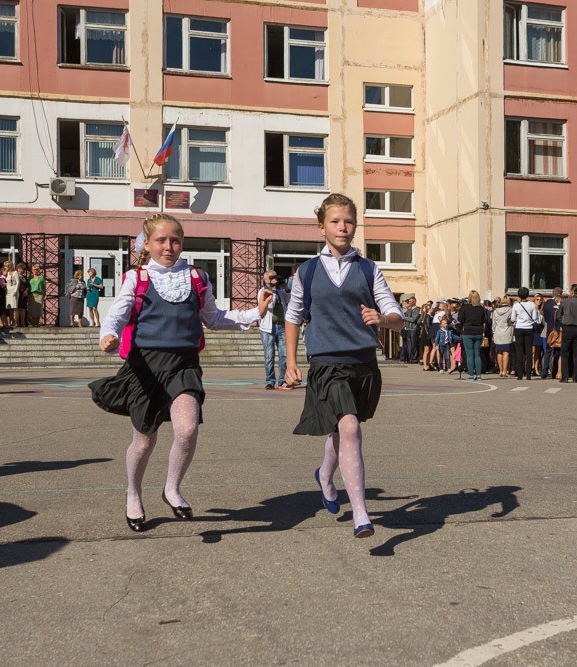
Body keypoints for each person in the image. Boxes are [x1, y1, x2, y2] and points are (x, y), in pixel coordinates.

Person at [91, 213, 271, 533]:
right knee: (144, 441)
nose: (169, 246)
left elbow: (214, 318)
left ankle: (172, 489)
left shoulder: (197, 277)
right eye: (161, 240)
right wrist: (108, 335)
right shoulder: (136, 278)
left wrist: (254, 313)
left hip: (184, 364)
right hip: (145, 367)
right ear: (147, 244)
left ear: (182, 243)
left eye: (175, 240)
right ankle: (133, 493)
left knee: (187, 430)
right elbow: (116, 315)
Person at [283, 193, 403, 539]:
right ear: (321, 227)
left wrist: (383, 319)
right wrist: (290, 362)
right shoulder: (307, 271)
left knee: (342, 430)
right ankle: (361, 513)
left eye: (349, 221)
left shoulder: (368, 269)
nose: (343, 227)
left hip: (363, 364)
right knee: (349, 428)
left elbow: (395, 315)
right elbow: (293, 316)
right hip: (326, 363)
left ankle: (325, 474)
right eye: (335, 221)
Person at [257, 270, 291, 390]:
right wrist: (273, 289)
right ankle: (270, 381)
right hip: (268, 327)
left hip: (281, 326)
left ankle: (282, 381)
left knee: (284, 355)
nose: (274, 279)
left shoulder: (280, 292)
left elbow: (289, 299)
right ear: (265, 279)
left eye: (275, 277)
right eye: (271, 277)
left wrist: (286, 288)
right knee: (269, 356)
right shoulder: (263, 292)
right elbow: (269, 305)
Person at [559, 284, 577, 383]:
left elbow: (559, 316)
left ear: (571, 291)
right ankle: (576, 377)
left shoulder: (564, 302)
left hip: (567, 328)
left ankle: (565, 377)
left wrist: (563, 323)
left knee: (565, 353)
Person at [510, 287, 541, 381]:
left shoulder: (516, 305)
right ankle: (528, 375)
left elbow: (512, 319)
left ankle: (520, 374)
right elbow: (534, 317)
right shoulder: (531, 304)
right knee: (529, 352)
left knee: (519, 352)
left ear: (519, 295)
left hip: (519, 328)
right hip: (529, 328)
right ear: (527, 295)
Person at [458, 290, 487, 381]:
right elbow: (484, 322)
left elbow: (460, 320)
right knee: (477, 354)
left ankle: (471, 374)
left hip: (467, 332)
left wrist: (460, 330)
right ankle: (478, 375)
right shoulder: (481, 308)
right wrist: (483, 332)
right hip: (478, 332)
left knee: (469, 354)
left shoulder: (465, 307)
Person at [492, 296, 514, 377]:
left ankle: (500, 371)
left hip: (498, 332)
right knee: (506, 352)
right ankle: (505, 371)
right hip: (507, 332)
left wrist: (494, 333)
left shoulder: (495, 311)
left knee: (499, 352)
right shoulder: (511, 310)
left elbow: (493, 324)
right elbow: (513, 321)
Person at [400, 296, 420, 364]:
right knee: (409, 345)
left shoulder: (416, 309)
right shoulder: (409, 309)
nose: (409, 302)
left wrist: (404, 318)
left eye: (411, 301)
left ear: (414, 302)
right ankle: (410, 358)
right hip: (407, 329)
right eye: (409, 301)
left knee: (413, 344)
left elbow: (413, 319)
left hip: (413, 329)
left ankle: (414, 358)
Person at [3, 260, 19, 328]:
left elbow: (17, 282)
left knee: (14, 307)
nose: (5, 267)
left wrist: (15, 291)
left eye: (6, 266)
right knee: (9, 307)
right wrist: (5, 284)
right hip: (8, 292)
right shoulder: (8, 273)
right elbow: (8, 282)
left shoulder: (15, 272)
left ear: (9, 266)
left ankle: (16, 322)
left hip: (14, 291)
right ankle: (12, 321)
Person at [15, 262, 30, 328]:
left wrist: (26, 291)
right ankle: (17, 323)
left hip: (24, 295)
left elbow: (27, 285)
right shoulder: (15, 276)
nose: (21, 270)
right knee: (17, 309)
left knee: (23, 308)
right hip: (18, 294)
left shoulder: (25, 277)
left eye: (22, 269)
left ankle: (22, 323)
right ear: (17, 269)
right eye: (19, 269)